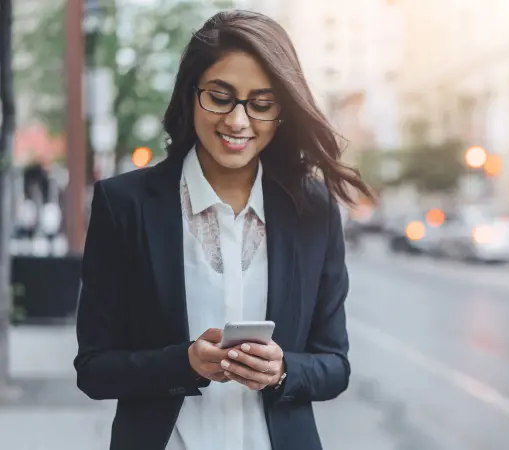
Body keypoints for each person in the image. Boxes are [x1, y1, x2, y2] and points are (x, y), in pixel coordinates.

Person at [73, 10, 372, 450]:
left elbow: (334, 365)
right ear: (190, 94)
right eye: (220, 96)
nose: (237, 121)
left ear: (282, 111)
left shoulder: (313, 209)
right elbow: (94, 369)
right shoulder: (125, 205)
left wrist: (283, 370)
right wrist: (185, 363)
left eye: (261, 104)